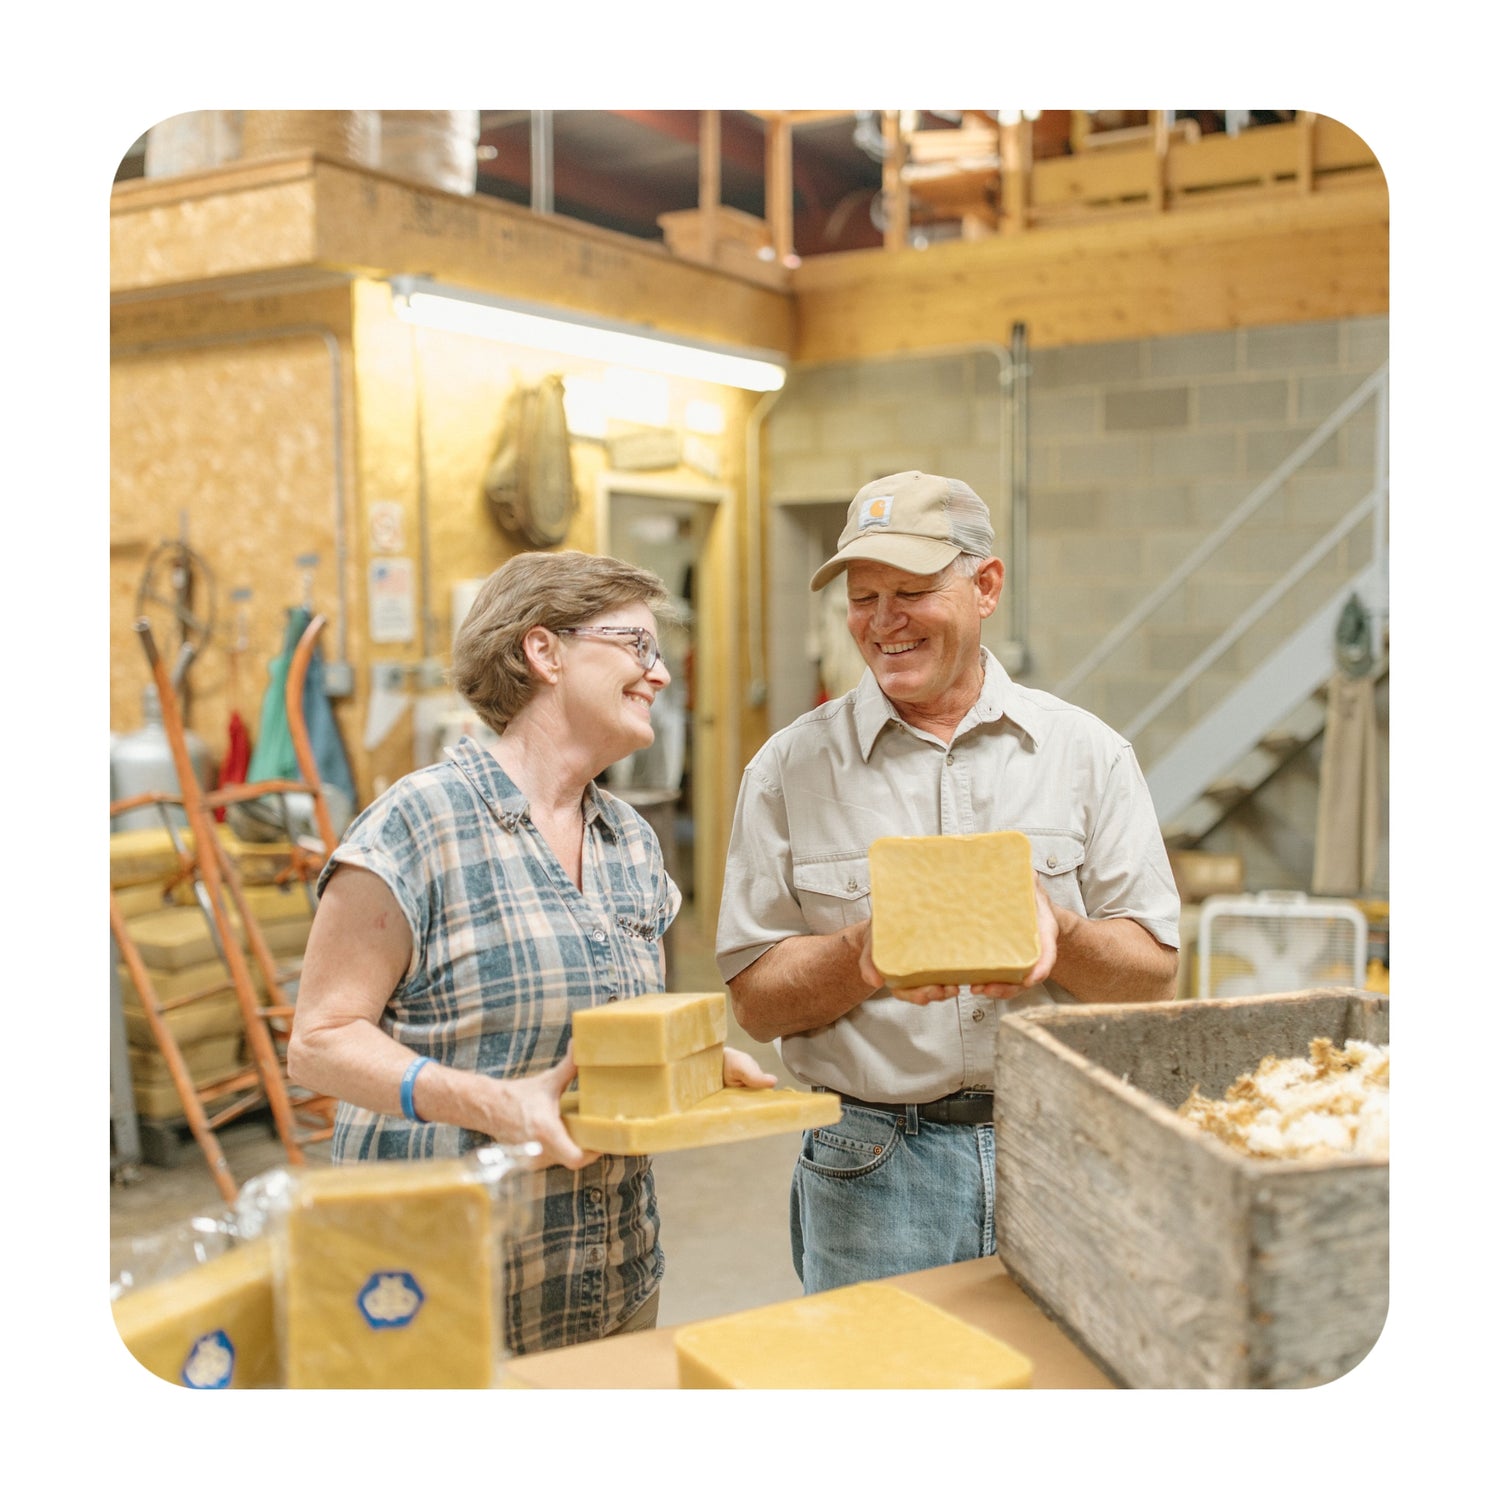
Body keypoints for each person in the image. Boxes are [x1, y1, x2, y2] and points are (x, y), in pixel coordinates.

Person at [288, 549, 775, 1355]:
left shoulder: (630, 843)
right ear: (543, 651)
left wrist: (688, 1062)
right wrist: (493, 1104)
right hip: (436, 1288)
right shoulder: (419, 823)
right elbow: (318, 1042)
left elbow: (606, 1030)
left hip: (608, 1274)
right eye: (636, 647)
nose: (659, 675)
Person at [716, 471, 1180, 1296]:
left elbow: (1152, 975)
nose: (882, 622)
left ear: (986, 586)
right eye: (863, 597)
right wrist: (864, 954)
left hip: (1061, 1145)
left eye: (913, 591)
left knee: (1059, 1399)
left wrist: (1059, 934)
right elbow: (755, 1004)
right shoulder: (787, 770)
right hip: (870, 1163)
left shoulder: (1087, 755)